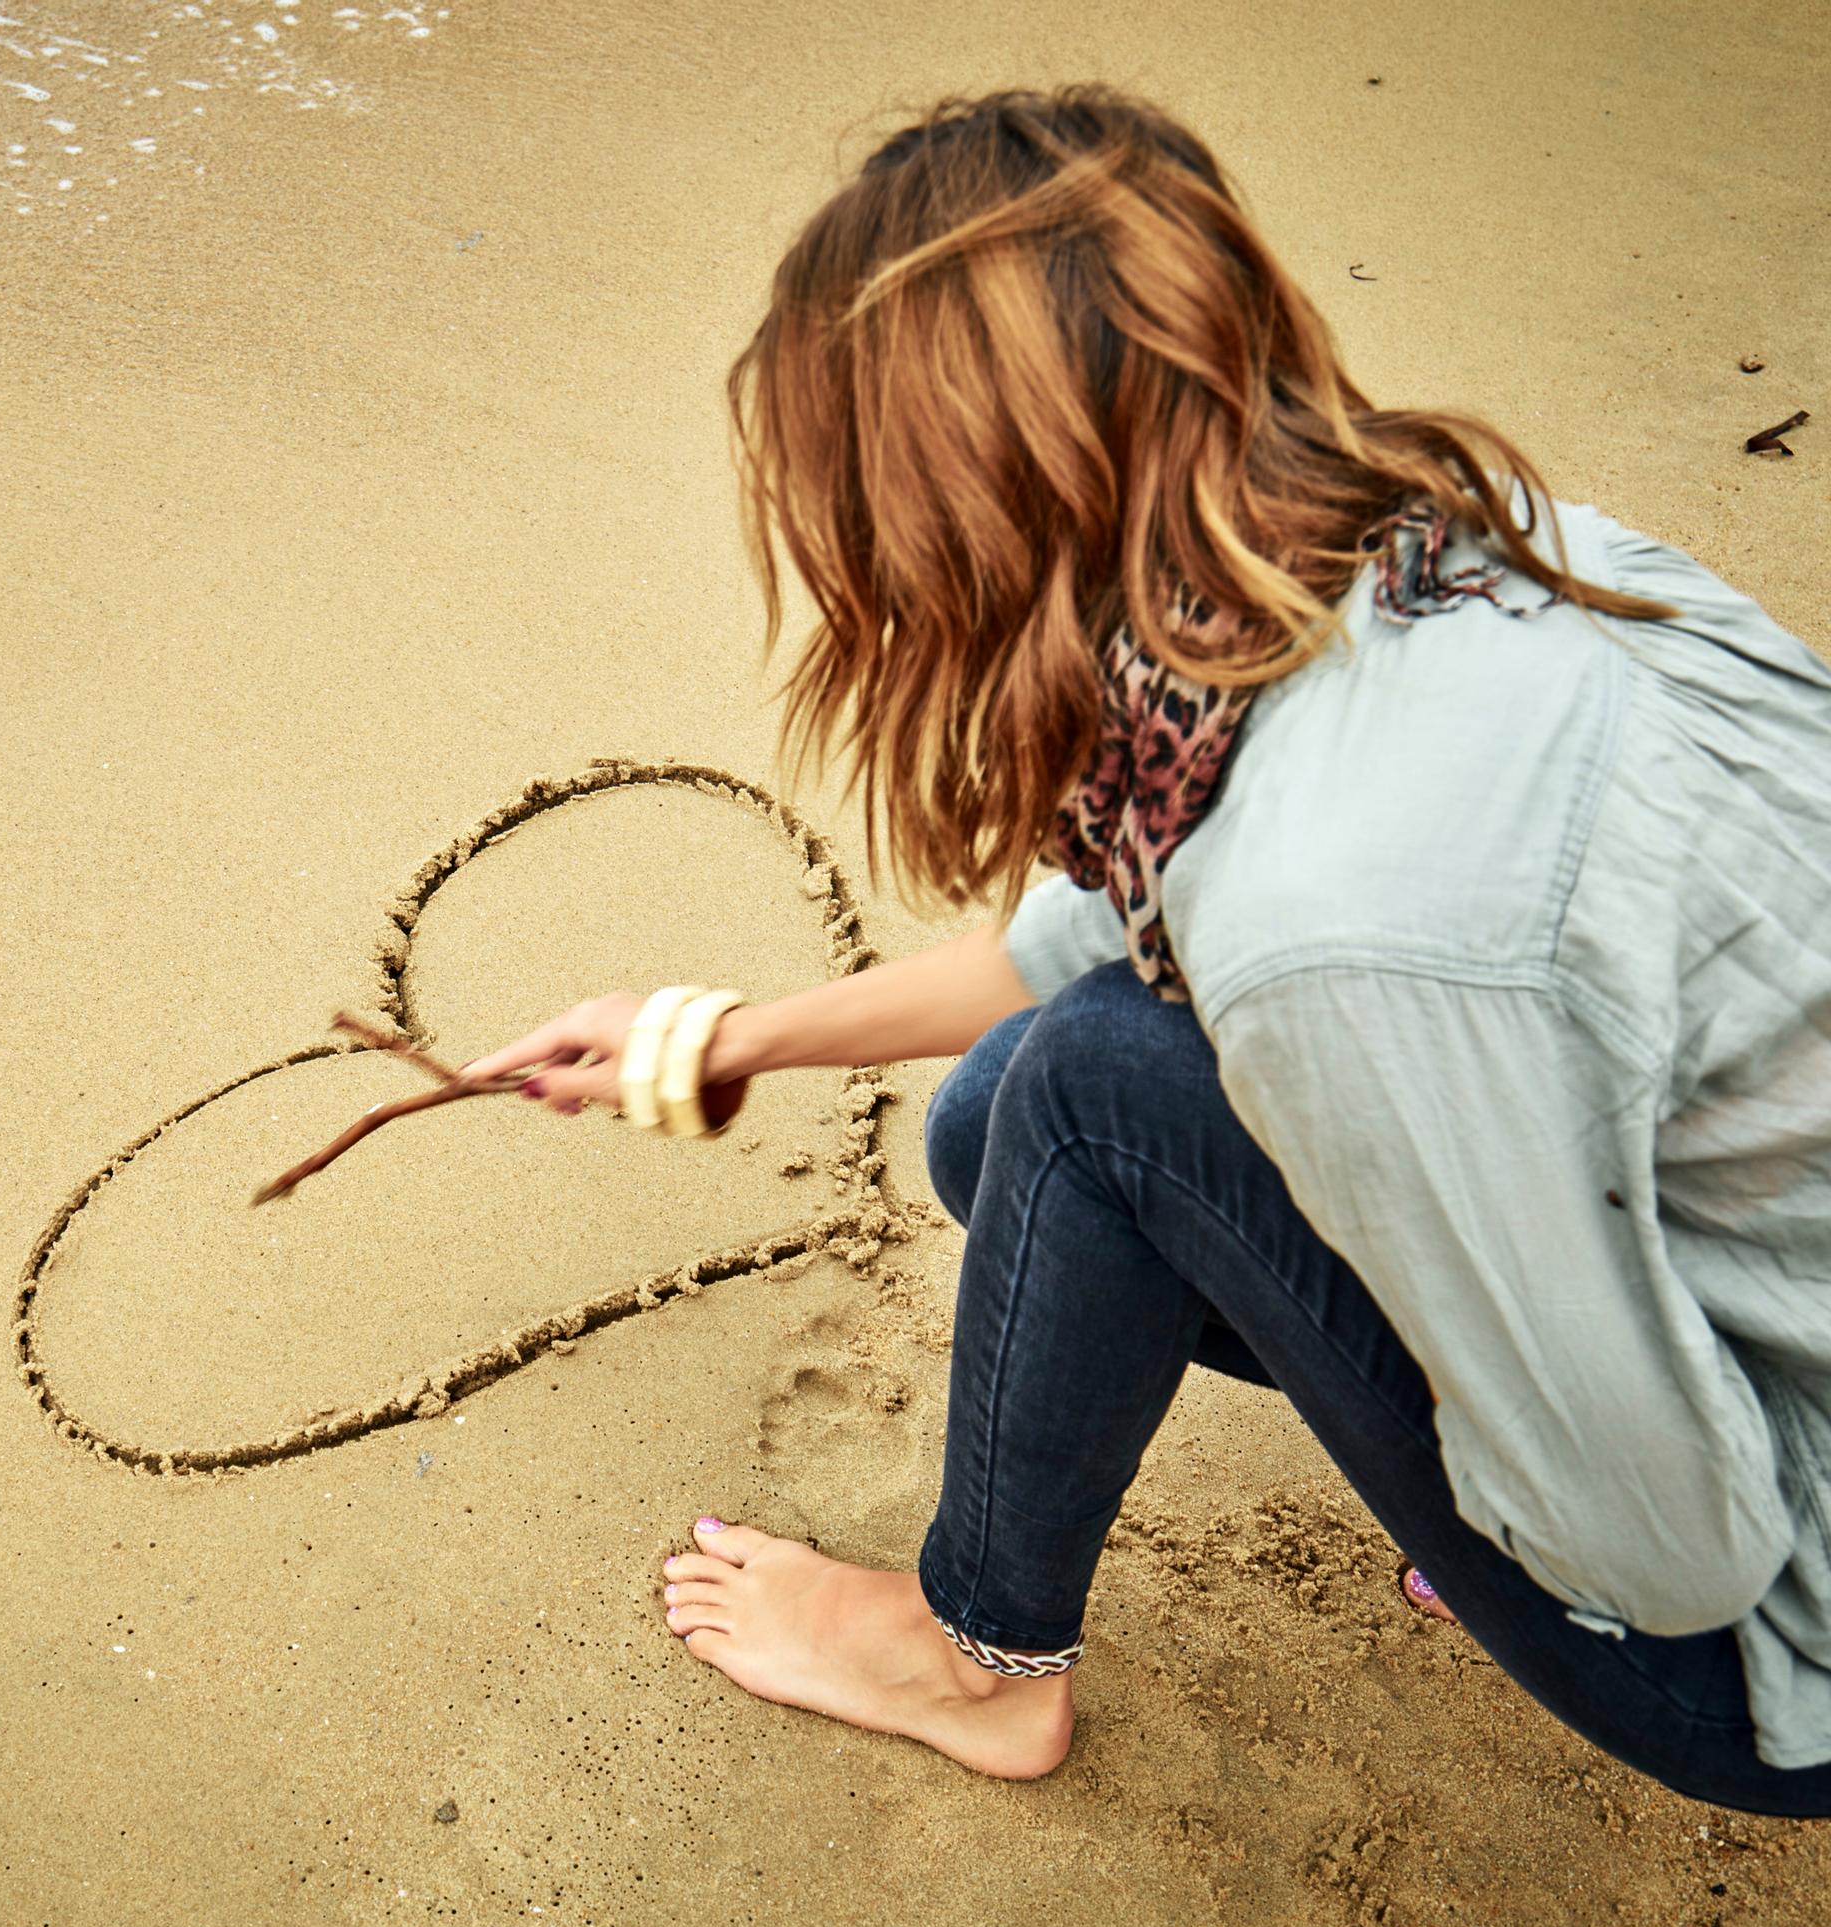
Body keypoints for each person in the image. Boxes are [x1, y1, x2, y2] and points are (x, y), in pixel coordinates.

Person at [462, 85, 1831, 1814]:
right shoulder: (1461, 544)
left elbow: (1673, 1554)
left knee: (1098, 1095)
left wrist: (1493, 1463)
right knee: (1006, 1111)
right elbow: (1094, 928)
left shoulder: (1329, 928)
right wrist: (715, 1040)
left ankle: (977, 1660)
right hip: (1773, 1294)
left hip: (1783, 1631)